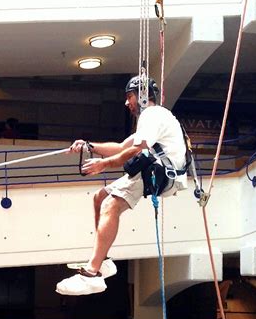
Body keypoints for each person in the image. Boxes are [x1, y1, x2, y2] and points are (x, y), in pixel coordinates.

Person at [56, 75, 188, 296]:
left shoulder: (153, 115)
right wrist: (88, 146)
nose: (127, 103)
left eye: (130, 96)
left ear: (144, 96)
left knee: (110, 205)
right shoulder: (153, 120)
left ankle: (92, 274)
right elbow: (120, 147)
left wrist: (104, 165)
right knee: (100, 197)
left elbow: (136, 151)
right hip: (157, 168)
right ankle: (103, 261)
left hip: (160, 171)